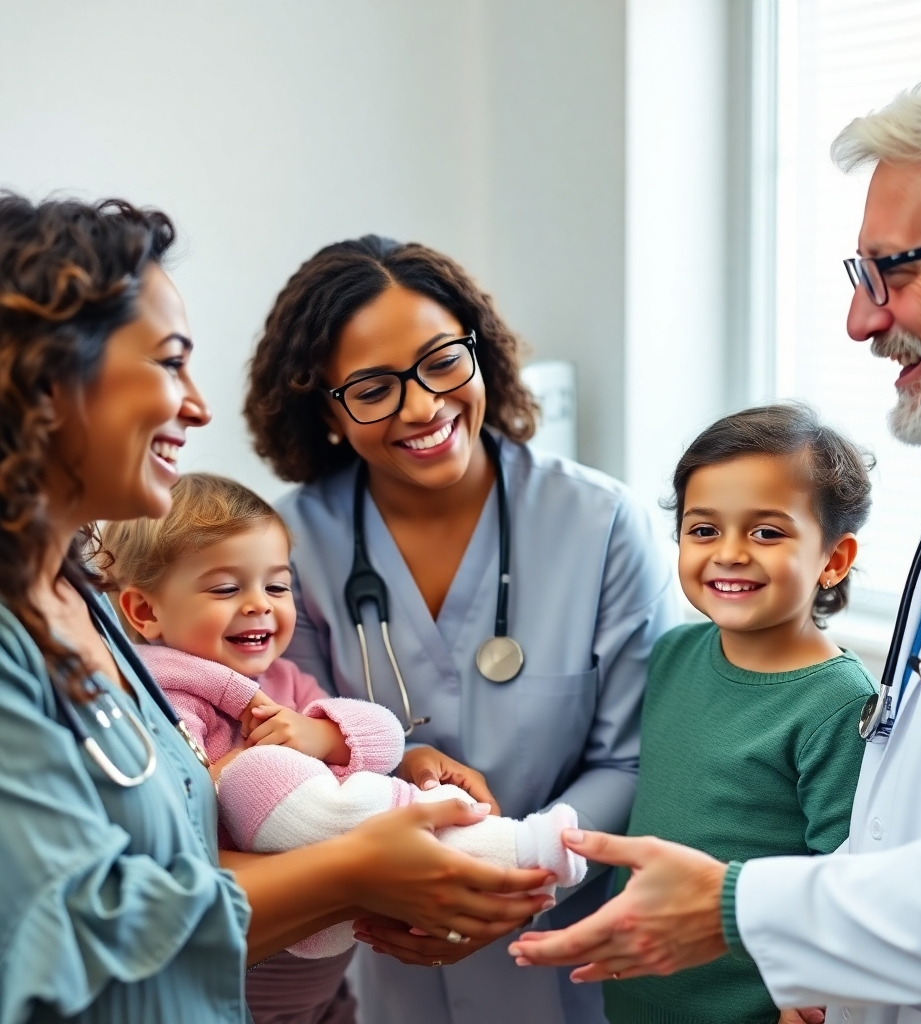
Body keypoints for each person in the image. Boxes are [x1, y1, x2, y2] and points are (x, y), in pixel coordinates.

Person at [509, 66, 921, 1024]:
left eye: (893, 271)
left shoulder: (826, 693)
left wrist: (740, 911)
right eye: (856, 276)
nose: (859, 320)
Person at [0, 194, 555, 1024]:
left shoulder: (82, 600)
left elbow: (186, 851)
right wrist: (353, 871)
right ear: (45, 381)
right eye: (169, 362)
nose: (197, 405)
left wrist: (379, 816)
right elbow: (75, 929)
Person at [243, 235, 681, 1024]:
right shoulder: (288, 545)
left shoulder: (601, 522)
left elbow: (633, 757)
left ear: (480, 353)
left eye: (442, 360)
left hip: (568, 955)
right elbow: (292, 744)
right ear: (329, 412)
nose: (422, 405)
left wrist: (525, 872)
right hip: (386, 952)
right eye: (373, 388)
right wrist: (396, 779)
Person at [101, 471, 585, 1016]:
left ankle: (491, 853)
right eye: (225, 588)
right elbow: (176, 813)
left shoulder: (284, 684)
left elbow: (381, 740)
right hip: (231, 988)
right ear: (145, 612)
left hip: (325, 991)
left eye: (277, 585)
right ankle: (512, 852)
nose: (260, 605)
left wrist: (327, 735)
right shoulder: (156, 698)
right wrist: (228, 773)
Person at [602, 404, 874, 1024]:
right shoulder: (672, 655)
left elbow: (846, 883)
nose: (728, 553)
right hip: (638, 999)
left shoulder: (839, 704)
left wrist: (812, 995)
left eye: (767, 532)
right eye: (703, 530)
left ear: (833, 559)